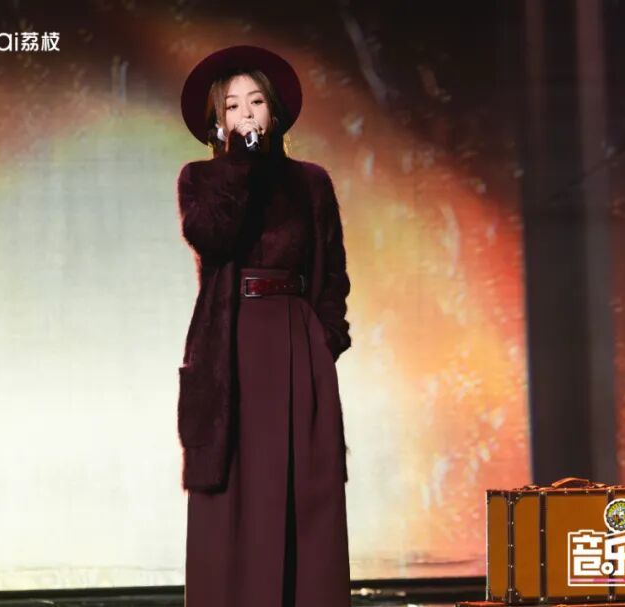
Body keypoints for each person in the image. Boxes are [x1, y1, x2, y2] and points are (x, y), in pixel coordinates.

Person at [176, 45, 353, 607]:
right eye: (232, 106)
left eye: (255, 102)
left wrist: (324, 340)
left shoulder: (311, 182)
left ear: (274, 112)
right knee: (235, 489)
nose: (246, 114)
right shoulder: (202, 179)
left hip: (297, 342)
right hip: (230, 346)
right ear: (217, 121)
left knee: (305, 490)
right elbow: (214, 239)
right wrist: (238, 166)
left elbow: (332, 270)